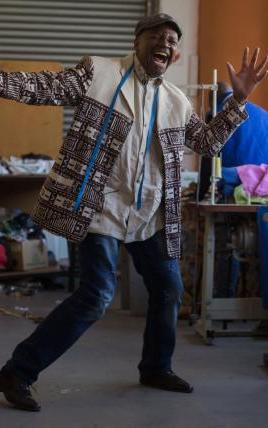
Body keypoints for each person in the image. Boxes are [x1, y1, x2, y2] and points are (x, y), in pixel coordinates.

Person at [0, 13, 267, 412]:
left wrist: (240, 99)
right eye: (158, 35)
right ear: (137, 40)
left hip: (149, 215)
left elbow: (208, 143)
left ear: (175, 55)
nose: (166, 43)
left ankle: (156, 367)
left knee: (168, 289)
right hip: (101, 210)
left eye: (173, 40)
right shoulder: (100, 73)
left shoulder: (175, 101)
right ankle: (17, 372)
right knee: (96, 296)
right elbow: (41, 87)